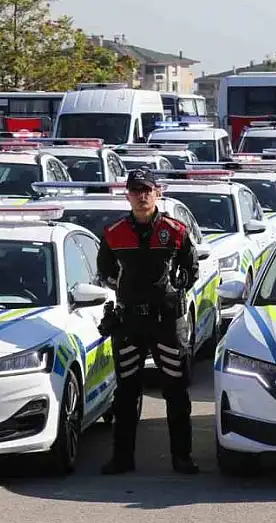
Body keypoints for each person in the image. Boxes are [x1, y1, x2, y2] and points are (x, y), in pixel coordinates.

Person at [96, 168, 201, 475]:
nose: (142, 196)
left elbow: (190, 269)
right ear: (127, 194)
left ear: (158, 192)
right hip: (129, 322)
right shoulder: (114, 232)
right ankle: (122, 459)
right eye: (136, 190)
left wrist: (175, 291)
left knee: (176, 392)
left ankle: (182, 457)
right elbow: (104, 270)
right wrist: (125, 291)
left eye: (147, 190)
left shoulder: (176, 230)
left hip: (167, 323)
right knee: (126, 392)